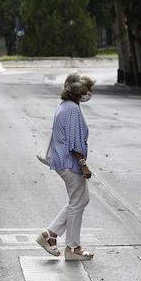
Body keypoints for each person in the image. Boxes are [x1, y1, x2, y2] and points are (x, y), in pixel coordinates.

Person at [37, 72, 96, 261]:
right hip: (69, 163)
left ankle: (50, 235)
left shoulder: (67, 106)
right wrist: (83, 165)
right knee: (78, 202)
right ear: (79, 91)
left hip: (65, 161)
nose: (90, 93)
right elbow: (74, 144)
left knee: (79, 201)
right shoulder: (71, 109)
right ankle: (72, 247)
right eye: (88, 89)